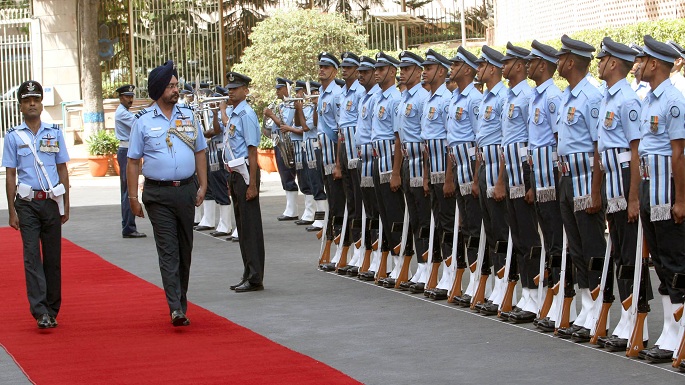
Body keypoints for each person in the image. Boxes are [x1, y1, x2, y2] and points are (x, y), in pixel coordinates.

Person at [127, 61, 208, 326]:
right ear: (159, 89)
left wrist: (203, 185)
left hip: (186, 190)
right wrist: (132, 198)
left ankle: (180, 300)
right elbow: (133, 162)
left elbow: (200, 151)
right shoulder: (142, 122)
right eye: (171, 86)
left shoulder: (188, 115)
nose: (176, 90)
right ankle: (175, 307)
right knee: (168, 250)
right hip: (157, 194)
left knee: (185, 248)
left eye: (176, 85)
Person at [594, 36, 648, 349]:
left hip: (626, 175)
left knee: (630, 254)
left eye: (602, 59)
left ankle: (635, 322)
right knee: (618, 252)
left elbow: (636, 148)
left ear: (614, 63)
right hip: (613, 177)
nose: (598, 64)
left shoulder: (627, 99)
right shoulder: (608, 96)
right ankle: (626, 318)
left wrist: (635, 197)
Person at [2, 80, 70, 329]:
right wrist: (11, 210)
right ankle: (40, 310)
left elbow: (62, 168)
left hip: (51, 202)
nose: (32, 104)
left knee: (52, 257)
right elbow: (10, 174)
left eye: (36, 99)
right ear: (20, 105)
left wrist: (66, 204)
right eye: (27, 100)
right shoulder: (13, 136)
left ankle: (53, 308)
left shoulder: (55, 132)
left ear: (42, 104)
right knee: (32, 256)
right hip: (27, 204)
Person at [635, 35, 685, 363]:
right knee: (661, 265)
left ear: (655, 64)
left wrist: (681, 200)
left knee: (675, 262)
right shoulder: (650, 99)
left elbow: (679, 154)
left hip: (667, 193)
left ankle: (680, 334)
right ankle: (670, 329)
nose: (640, 64)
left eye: (644, 59)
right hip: (649, 191)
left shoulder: (672, 99)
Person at [554, 35, 606, 339]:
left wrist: (596, 191)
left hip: (586, 178)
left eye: (561, 58)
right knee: (576, 247)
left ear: (571, 61)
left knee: (591, 247)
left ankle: (599, 310)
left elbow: (599, 146)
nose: (557, 62)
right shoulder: (567, 95)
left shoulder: (592, 97)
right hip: (566, 178)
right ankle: (587, 308)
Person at [498, 42, 541, 322]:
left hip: (525, 172)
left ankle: (537, 294)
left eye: (508, 61)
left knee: (529, 236)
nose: (503, 66)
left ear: (519, 65)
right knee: (520, 237)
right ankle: (527, 292)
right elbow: (505, 142)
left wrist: (532, 182)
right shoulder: (510, 95)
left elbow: (533, 141)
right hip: (512, 173)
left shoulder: (528, 96)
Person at [444, 46, 483, 306]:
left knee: (475, 224)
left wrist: (477, 178)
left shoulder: (474, 99)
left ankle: (481, 279)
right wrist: (449, 176)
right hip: (458, 163)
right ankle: (472, 277)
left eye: (456, 64)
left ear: (467, 69)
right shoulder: (456, 97)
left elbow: (480, 141)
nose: (452, 67)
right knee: (466, 224)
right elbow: (450, 141)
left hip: (471, 163)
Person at [223, 71, 266, 293]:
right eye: (229, 88)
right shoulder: (234, 114)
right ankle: (248, 272)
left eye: (235, 88)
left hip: (246, 172)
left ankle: (255, 276)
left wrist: (252, 184)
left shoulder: (246, 114)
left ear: (245, 91)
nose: (230, 91)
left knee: (250, 227)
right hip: (236, 172)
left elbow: (252, 150)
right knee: (241, 226)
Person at [114, 84, 146, 239]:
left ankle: (128, 225)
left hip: (128, 151)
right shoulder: (122, 113)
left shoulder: (124, 111)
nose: (130, 99)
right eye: (127, 96)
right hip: (126, 151)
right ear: (120, 98)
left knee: (127, 190)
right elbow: (139, 122)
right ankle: (128, 227)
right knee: (129, 191)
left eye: (131, 96)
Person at [264, 77, 298, 221]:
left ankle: (293, 209)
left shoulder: (290, 105)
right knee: (284, 176)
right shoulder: (282, 105)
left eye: (279, 88)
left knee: (288, 175)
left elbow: (285, 124)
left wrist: (271, 115)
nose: (277, 91)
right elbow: (271, 128)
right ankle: (290, 208)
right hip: (279, 142)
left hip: (288, 142)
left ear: (287, 88)